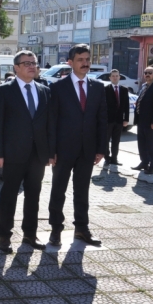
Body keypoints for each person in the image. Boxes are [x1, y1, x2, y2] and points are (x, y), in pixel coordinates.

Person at [48, 44, 107, 247]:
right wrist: (51, 150)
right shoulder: (57, 87)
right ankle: (55, 229)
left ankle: (82, 228)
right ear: (70, 63)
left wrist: (101, 149)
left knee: (82, 191)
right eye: (80, 60)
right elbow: (52, 121)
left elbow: (102, 120)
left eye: (87, 59)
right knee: (58, 190)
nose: (85, 63)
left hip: (87, 150)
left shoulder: (98, 87)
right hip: (63, 151)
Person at [0, 51, 51, 254]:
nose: (32, 66)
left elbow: (48, 125)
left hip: (37, 155)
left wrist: (50, 152)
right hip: (12, 154)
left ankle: (30, 234)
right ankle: (4, 236)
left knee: (33, 196)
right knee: (9, 196)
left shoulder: (44, 90)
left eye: (34, 63)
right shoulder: (4, 91)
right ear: (16, 67)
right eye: (26, 63)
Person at [131, 66, 153, 175]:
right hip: (141, 120)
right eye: (145, 72)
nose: (147, 74)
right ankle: (144, 162)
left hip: (151, 122)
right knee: (141, 143)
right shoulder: (144, 86)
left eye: (150, 73)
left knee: (151, 144)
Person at [104, 69, 129, 166]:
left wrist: (126, 119)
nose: (115, 77)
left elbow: (126, 105)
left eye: (116, 76)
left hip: (119, 120)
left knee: (116, 140)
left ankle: (114, 159)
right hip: (108, 120)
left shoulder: (124, 90)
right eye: (113, 76)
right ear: (110, 78)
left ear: (119, 77)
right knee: (106, 140)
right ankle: (107, 158)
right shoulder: (105, 89)